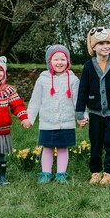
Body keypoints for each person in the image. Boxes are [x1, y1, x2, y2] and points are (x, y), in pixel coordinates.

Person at [76, 27, 110, 186]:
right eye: (101, 43)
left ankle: (109, 172)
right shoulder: (88, 67)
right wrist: (80, 113)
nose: (105, 46)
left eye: (107, 43)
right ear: (93, 47)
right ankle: (95, 171)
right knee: (95, 144)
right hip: (95, 113)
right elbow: (82, 90)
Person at [27, 44, 79, 184]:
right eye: (56, 59)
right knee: (47, 148)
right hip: (47, 122)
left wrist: (82, 116)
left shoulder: (73, 79)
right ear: (49, 62)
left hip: (66, 122)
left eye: (63, 59)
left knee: (63, 148)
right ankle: (46, 173)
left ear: (68, 61)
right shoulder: (43, 79)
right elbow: (35, 100)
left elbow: (78, 101)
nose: (59, 62)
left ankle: (61, 174)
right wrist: (29, 118)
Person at [0, 56, 31, 185]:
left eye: (0, 70)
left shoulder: (8, 90)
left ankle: (1, 177)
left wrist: (24, 118)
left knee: (0, 153)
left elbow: (17, 105)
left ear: (4, 73)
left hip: (2, 129)